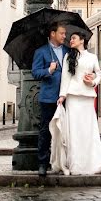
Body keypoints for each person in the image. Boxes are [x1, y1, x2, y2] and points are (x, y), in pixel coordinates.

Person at [55, 32, 101, 175]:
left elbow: (99, 74)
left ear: (82, 40)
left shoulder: (92, 57)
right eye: (70, 38)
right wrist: (62, 95)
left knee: (89, 130)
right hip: (73, 97)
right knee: (75, 131)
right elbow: (65, 77)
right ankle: (76, 165)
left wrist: (93, 81)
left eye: (73, 38)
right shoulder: (68, 57)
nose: (70, 40)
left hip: (87, 97)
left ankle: (94, 164)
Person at [31, 21, 67, 176]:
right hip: (48, 98)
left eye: (65, 33)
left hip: (66, 97)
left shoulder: (68, 50)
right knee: (45, 131)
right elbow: (35, 72)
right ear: (53, 34)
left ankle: (64, 162)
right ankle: (43, 164)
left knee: (65, 131)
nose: (64, 36)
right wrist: (49, 70)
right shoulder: (41, 52)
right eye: (61, 33)